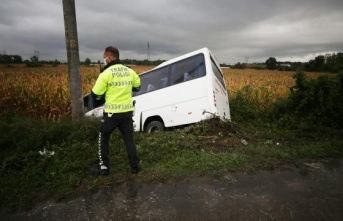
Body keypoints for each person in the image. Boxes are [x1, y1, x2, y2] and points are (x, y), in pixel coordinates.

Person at [90, 46, 141, 176]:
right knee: (129, 139)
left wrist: (102, 98)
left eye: (104, 58)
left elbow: (95, 94)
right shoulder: (129, 71)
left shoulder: (105, 74)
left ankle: (104, 167)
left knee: (103, 135)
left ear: (110, 57)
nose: (104, 60)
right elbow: (137, 87)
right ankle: (135, 167)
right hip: (127, 112)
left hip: (112, 113)